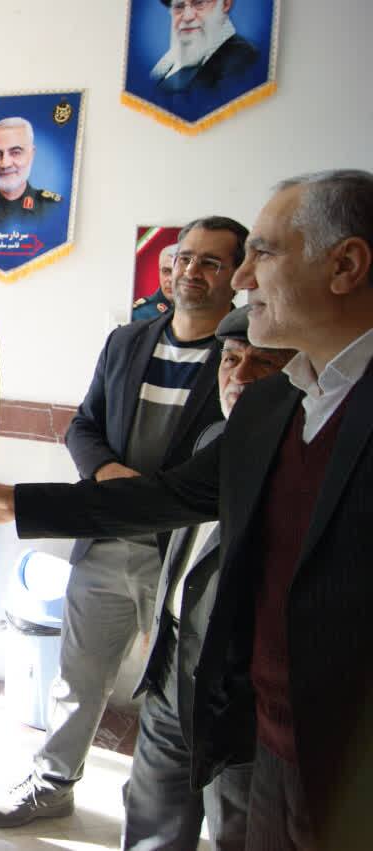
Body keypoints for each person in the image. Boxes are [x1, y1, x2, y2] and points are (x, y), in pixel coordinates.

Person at [0, 170, 373, 849]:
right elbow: (172, 495)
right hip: (252, 716)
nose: (242, 280)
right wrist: (14, 503)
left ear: (346, 265)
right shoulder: (277, 401)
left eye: (262, 254)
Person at [0, 215, 243, 828]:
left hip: (183, 557)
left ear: (238, 275)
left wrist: (140, 497)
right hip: (104, 542)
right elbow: (84, 424)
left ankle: (166, 807)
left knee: (179, 690)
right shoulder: (127, 342)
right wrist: (104, 472)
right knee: (79, 677)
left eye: (211, 262)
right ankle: (52, 783)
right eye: (184, 257)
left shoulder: (244, 356)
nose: (191, 271)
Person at [120, 305, 292, 850]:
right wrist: (162, 624)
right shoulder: (212, 437)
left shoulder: (304, 459)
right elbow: (184, 550)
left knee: (235, 830)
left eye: (263, 364)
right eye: (231, 360)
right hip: (172, 668)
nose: (240, 377)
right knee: (151, 823)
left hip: (240, 690)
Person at [148, 0, 260, 96]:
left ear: (225, 4)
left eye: (199, 3)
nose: (187, 17)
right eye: (179, 6)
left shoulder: (243, 60)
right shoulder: (169, 62)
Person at [132, 243, 176, 322]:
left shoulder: (198, 313)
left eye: (177, 272)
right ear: (159, 272)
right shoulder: (138, 314)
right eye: (166, 271)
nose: (171, 279)